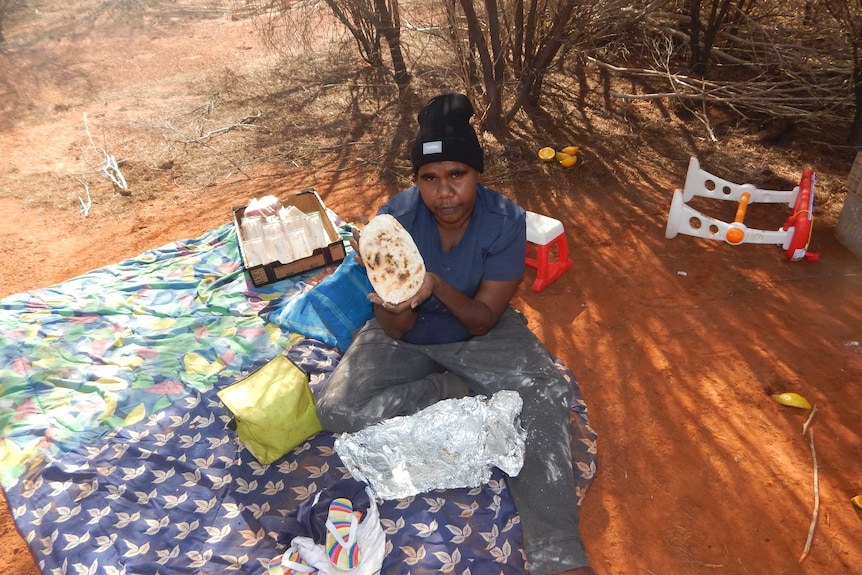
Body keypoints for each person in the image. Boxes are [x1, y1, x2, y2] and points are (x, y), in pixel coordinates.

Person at [315, 93, 596, 575]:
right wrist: (395, 306)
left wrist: (436, 286)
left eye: (456, 175)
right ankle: (451, 390)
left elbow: (484, 318)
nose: (444, 192)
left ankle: (557, 555)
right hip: (407, 335)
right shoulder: (393, 223)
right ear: (417, 181)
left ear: (477, 174)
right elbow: (396, 327)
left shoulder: (505, 220)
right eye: (429, 178)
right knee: (335, 408)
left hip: (480, 329)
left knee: (546, 392)